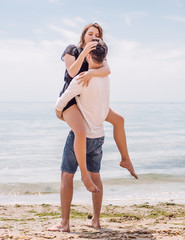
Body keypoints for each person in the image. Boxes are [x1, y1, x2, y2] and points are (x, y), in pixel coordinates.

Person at [58, 23, 137, 194]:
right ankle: (84, 176)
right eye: (90, 33)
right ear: (83, 35)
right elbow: (72, 73)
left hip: (88, 99)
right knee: (80, 132)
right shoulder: (72, 50)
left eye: (97, 35)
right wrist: (85, 51)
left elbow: (107, 70)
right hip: (71, 100)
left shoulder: (98, 52)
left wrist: (92, 73)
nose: (94, 37)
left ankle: (125, 159)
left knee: (119, 120)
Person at [49, 39, 110, 232]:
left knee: (66, 175)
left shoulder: (83, 78)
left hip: (82, 137)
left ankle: (65, 223)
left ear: (89, 55)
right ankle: (96, 221)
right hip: (99, 135)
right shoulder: (105, 77)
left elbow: (61, 101)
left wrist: (60, 114)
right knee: (97, 176)